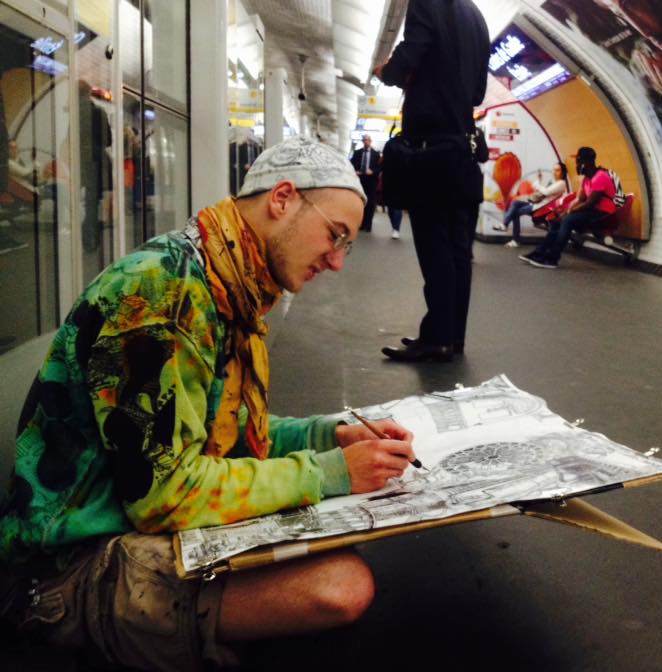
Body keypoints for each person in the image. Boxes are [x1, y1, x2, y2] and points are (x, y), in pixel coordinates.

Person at [0, 136, 421, 670]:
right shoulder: (157, 297)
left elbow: (229, 432)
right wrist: (331, 472)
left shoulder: (220, 282)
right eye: (335, 236)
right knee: (340, 584)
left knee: (331, 560)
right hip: (65, 565)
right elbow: (165, 496)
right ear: (283, 198)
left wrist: (327, 436)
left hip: (120, 521)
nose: (336, 262)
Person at [373, 0, 489, 363]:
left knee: (434, 245)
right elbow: (477, 93)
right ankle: (452, 336)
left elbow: (413, 53)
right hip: (462, 152)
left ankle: (436, 338)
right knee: (459, 249)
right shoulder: (477, 15)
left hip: (429, 152)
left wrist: (387, 71)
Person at [519, 147, 616, 270]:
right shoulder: (587, 179)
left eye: (578, 161)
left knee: (567, 221)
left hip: (603, 213)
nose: (577, 165)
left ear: (587, 162)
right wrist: (565, 211)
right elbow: (580, 199)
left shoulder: (600, 177)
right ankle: (539, 253)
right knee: (557, 221)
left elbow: (590, 203)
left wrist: (570, 212)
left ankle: (552, 259)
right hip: (591, 211)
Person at [495, 162, 569, 248]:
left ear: (563, 172)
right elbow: (541, 190)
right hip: (537, 204)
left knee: (516, 212)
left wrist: (538, 184)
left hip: (541, 208)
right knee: (515, 203)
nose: (554, 172)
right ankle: (505, 225)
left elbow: (546, 192)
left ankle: (514, 238)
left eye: (557, 170)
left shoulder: (561, 183)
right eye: (554, 169)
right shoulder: (554, 182)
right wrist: (539, 180)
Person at [350, 134, 381, 232]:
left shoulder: (376, 154)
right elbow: (352, 164)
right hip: (360, 180)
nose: (366, 142)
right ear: (362, 142)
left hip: (371, 181)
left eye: (367, 140)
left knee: (371, 203)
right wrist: (355, 171)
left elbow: (380, 167)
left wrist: (372, 171)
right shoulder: (357, 153)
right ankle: (361, 224)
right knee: (361, 202)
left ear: (370, 141)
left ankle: (368, 225)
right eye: (364, 140)